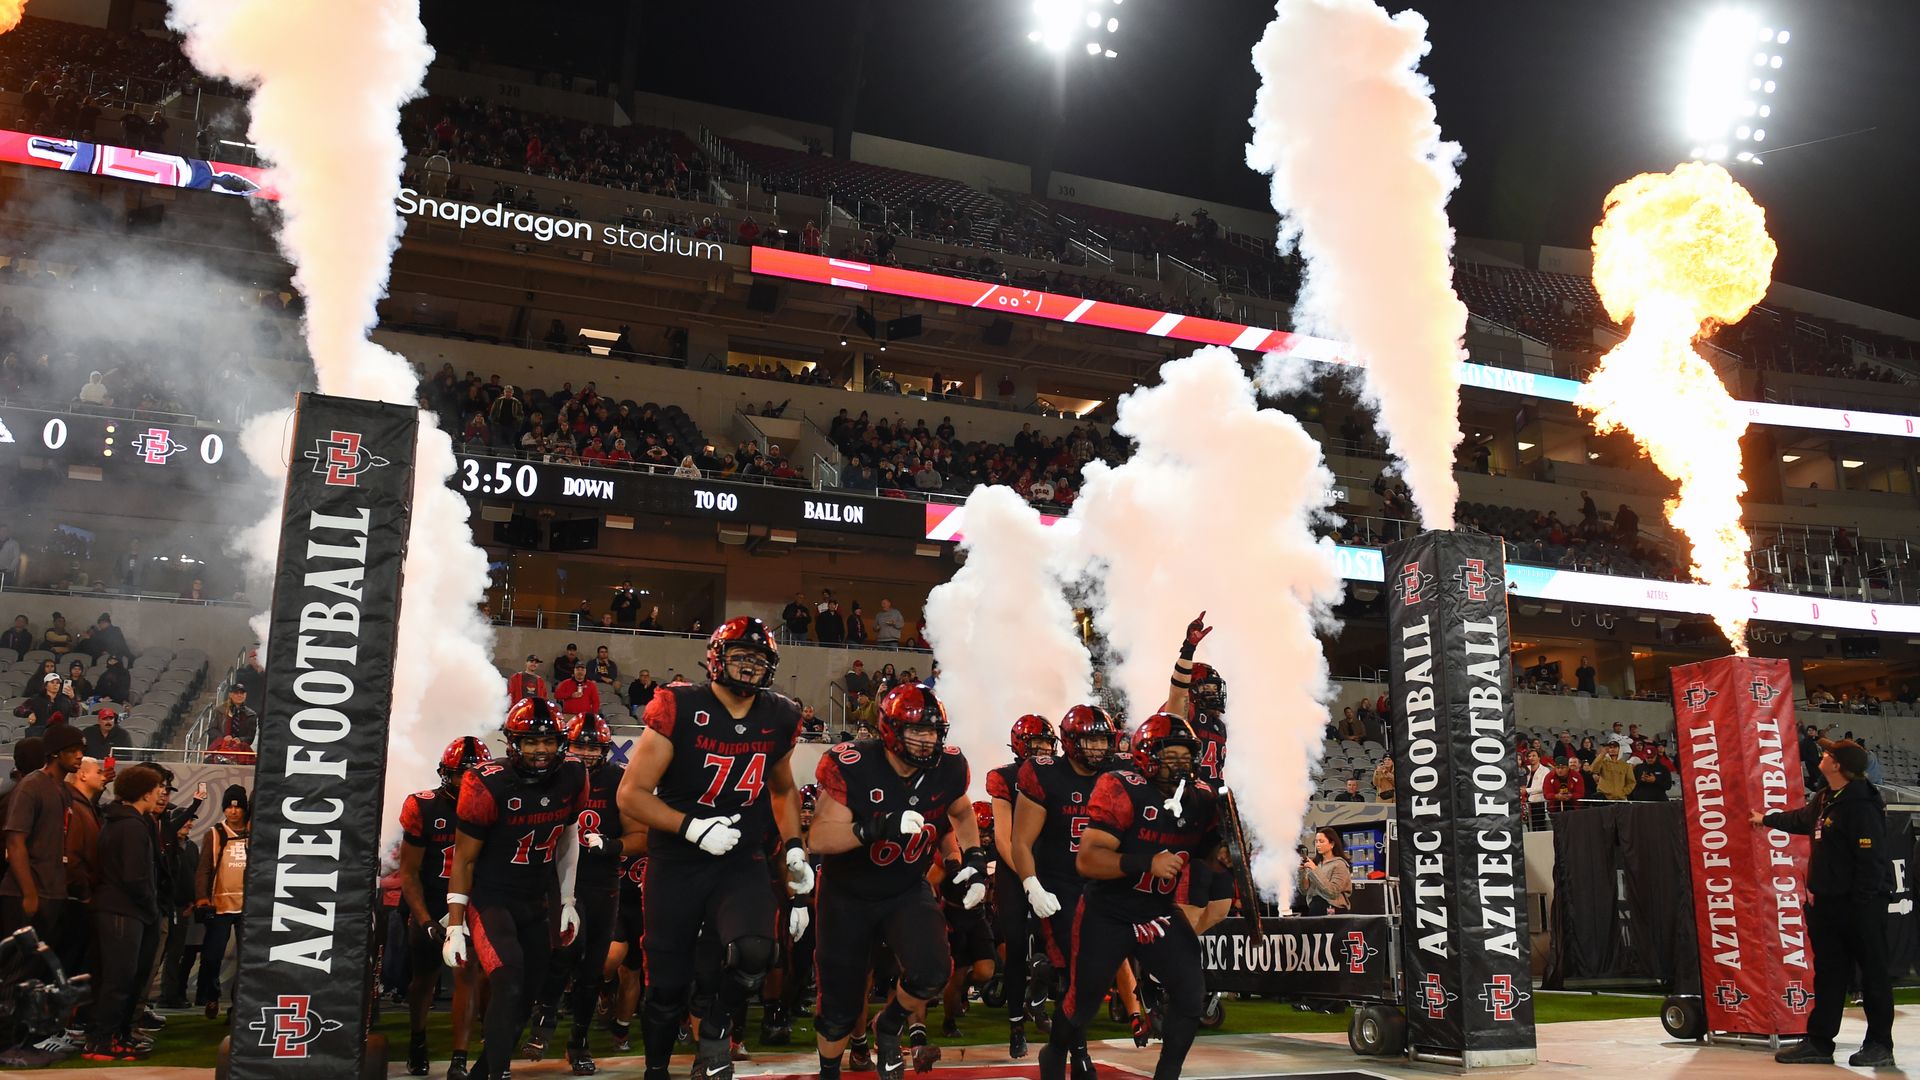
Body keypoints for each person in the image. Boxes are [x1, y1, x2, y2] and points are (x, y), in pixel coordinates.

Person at [615, 617, 810, 1080]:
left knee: (757, 950)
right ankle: (657, 1069)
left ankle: (716, 1030)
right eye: (740, 656)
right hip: (678, 859)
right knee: (666, 984)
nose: (749, 667)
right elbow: (631, 794)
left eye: (758, 658)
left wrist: (796, 847)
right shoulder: (679, 705)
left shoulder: (779, 715)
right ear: (716, 659)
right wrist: (692, 828)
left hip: (739, 857)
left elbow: (782, 789)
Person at [1038, 712, 1225, 1080]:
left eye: (1186, 757)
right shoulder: (1121, 787)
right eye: (1170, 757)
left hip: (1157, 910)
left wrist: (1224, 857)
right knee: (1083, 1004)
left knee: (1190, 995)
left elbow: (1208, 853)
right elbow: (1088, 860)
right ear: (1146, 756)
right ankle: (1055, 1049)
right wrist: (1146, 863)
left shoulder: (1200, 798)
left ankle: (1167, 1074)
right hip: (1108, 911)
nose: (1180, 766)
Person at [810, 684, 984, 1080]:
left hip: (905, 886)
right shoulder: (853, 763)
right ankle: (828, 1071)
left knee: (932, 971)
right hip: (848, 894)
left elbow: (960, 811)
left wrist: (972, 858)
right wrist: (877, 826)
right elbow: (819, 838)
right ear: (890, 729)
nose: (928, 740)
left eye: (934, 731)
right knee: (838, 1006)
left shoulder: (950, 766)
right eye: (917, 731)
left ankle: (888, 1026)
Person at [442, 699, 589, 1080]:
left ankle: (486, 1072)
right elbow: (464, 858)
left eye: (548, 741)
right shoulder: (486, 781)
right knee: (508, 978)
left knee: (527, 992)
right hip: (493, 898)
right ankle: (499, 1073)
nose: (541, 750)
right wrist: (455, 923)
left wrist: (568, 900)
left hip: (535, 899)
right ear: (513, 743)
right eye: (530, 742)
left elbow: (568, 839)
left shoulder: (573, 774)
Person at [1754, 741, 1895, 1066]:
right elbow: (1801, 820)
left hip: (1861, 904)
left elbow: (1872, 860)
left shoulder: (1862, 804)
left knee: (1873, 974)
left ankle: (1879, 1045)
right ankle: (1819, 1042)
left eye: (1830, 754)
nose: (1823, 756)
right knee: (1829, 974)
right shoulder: (1825, 799)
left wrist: (1861, 904)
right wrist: (1766, 819)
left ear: (1839, 766)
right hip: (1828, 902)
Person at [1015, 704, 1140, 1060]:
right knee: (1078, 971)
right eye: (1091, 740)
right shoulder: (1045, 775)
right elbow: (1021, 841)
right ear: (1070, 742)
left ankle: (1141, 1012)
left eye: (1103, 740)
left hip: (1109, 884)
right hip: (1062, 886)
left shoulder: (1120, 773)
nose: (1099, 748)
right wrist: (1031, 884)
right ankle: (1076, 1047)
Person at [524, 714, 638, 1075]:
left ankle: (579, 1041)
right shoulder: (553, 774)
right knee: (565, 950)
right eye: (579, 745)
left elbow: (642, 835)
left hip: (604, 881)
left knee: (593, 969)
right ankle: (543, 1021)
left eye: (592, 746)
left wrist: (613, 844)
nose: (586, 753)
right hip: (557, 880)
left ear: (605, 749)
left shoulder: (620, 780)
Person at [397, 737, 490, 1078]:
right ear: (445, 775)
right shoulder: (424, 807)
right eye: (459, 777)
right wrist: (424, 921)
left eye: (473, 777)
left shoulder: (493, 806)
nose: (466, 785)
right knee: (423, 978)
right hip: (432, 897)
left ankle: (459, 1059)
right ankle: (417, 1039)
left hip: (469, 901)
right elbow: (408, 872)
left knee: (468, 975)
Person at [83, 764, 167, 1062]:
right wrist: (149, 906)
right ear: (146, 792)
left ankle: (106, 1038)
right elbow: (135, 877)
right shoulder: (131, 825)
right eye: (158, 788)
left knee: (116, 978)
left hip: (118, 908)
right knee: (119, 979)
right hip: (124, 910)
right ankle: (104, 1041)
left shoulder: (122, 821)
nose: (162, 792)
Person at [985, 714, 1056, 1058]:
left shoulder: (1058, 775)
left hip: (1051, 868)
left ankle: (1038, 1000)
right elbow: (1003, 838)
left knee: (1053, 946)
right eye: (1036, 742)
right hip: (1015, 872)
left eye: (1047, 742)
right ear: (1019, 744)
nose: (1043, 748)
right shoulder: (1005, 778)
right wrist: (1030, 880)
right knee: (1015, 948)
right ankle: (1016, 1025)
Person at [2, 723, 81, 939]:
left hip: (51, 891)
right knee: (13, 968)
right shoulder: (31, 786)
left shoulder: (64, 791)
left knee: (36, 968)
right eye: (73, 751)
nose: (80, 756)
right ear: (56, 753)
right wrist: (29, 894)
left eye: (81, 750)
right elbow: (15, 842)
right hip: (23, 893)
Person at [195, 785, 250, 1019]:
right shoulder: (215, 833)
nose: (233, 811)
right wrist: (201, 898)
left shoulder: (255, 832)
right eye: (228, 806)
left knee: (248, 959)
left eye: (237, 807)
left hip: (249, 906)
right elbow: (204, 869)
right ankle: (211, 996)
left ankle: (239, 1005)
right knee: (212, 955)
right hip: (219, 906)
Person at [1297, 827, 1352, 915]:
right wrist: (1301, 872)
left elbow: (1332, 892)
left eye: (1321, 841)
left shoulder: (1339, 864)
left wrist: (1314, 870)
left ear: (1332, 844)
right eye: (1316, 841)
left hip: (1333, 910)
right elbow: (1304, 890)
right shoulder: (1315, 863)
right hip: (1314, 908)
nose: (1318, 844)